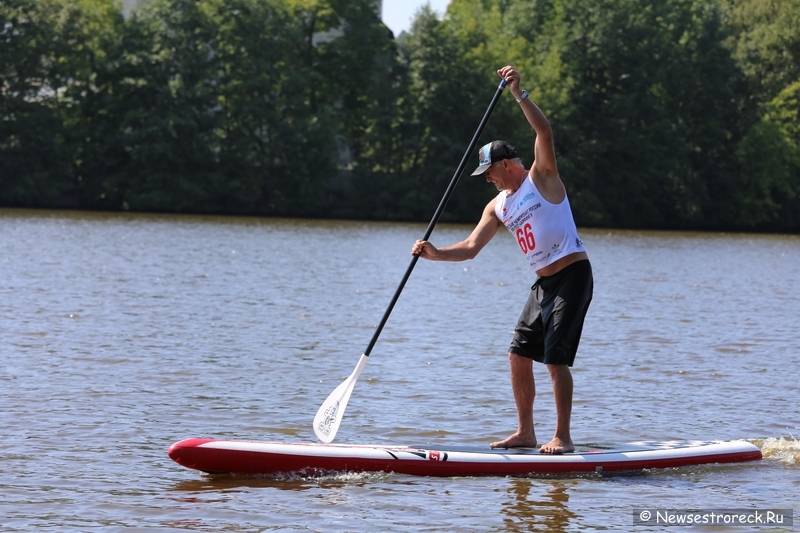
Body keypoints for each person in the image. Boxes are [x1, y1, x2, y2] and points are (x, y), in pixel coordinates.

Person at [411, 65, 593, 454]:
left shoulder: (541, 177)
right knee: (517, 354)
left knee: (555, 358)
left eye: (489, 172)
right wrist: (436, 253)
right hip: (543, 284)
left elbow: (544, 133)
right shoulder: (497, 206)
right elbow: (473, 247)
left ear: (507, 164)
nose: (487, 179)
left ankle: (563, 436)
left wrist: (518, 93)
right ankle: (526, 432)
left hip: (573, 275)